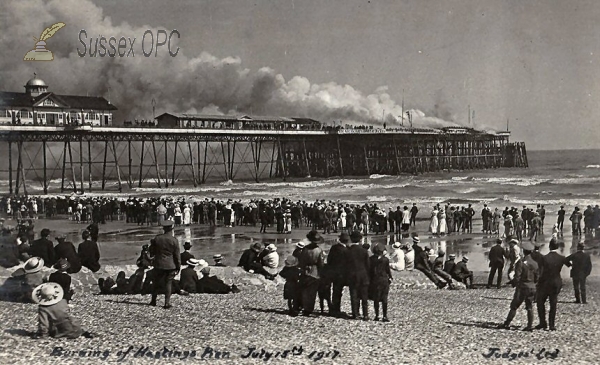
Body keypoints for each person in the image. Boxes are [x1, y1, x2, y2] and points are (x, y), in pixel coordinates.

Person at [499, 241, 539, 331]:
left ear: (524, 251)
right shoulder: (535, 264)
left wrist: (514, 283)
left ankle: (507, 323)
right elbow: (537, 277)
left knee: (514, 306)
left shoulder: (521, 263)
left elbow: (517, 276)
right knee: (529, 307)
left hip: (522, 287)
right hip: (532, 286)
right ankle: (529, 326)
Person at [535, 238, 569, 331]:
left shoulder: (544, 258)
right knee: (553, 303)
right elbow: (570, 264)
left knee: (540, 302)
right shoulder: (561, 258)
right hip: (556, 282)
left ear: (549, 246)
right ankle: (551, 325)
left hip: (545, 283)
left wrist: (538, 282)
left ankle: (542, 322)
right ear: (557, 247)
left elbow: (540, 271)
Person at [149, 220, 181, 309]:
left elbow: (152, 252)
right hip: (170, 265)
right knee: (168, 283)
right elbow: (177, 255)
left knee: (156, 283)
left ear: (163, 228)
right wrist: (178, 266)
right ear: (171, 228)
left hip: (159, 263)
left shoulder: (157, 238)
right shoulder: (174, 240)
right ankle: (166, 303)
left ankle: (153, 300)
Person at [296, 230, 325, 316]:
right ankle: (309, 309)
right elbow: (321, 264)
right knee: (312, 292)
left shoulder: (305, 249)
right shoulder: (319, 250)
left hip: (305, 270)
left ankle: (304, 307)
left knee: (304, 291)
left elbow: (300, 261)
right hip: (314, 271)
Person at [346, 230, 370, 320]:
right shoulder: (364, 251)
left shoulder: (348, 251)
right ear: (360, 240)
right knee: (364, 295)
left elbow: (346, 264)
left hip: (352, 275)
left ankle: (355, 313)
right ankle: (365, 314)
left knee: (354, 295)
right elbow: (368, 265)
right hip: (363, 275)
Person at [327, 232, 349, 317]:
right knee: (338, 292)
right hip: (342, 274)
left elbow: (329, 260)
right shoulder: (346, 250)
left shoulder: (334, 248)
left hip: (334, 272)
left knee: (335, 291)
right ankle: (336, 309)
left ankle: (334, 308)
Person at [368, 243, 392, 322]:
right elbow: (388, 270)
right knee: (384, 298)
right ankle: (385, 316)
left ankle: (377, 315)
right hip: (384, 279)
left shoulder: (371, 259)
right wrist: (390, 278)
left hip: (375, 280)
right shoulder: (385, 260)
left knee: (376, 298)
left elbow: (369, 271)